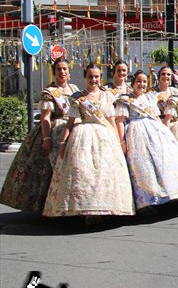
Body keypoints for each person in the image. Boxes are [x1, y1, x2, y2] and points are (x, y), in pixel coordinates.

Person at [43, 64, 135, 217]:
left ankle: (107, 207)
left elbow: (111, 120)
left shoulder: (107, 96)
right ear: (85, 77)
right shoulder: (79, 97)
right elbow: (70, 122)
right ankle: (87, 211)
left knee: (105, 174)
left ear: (100, 78)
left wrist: (119, 142)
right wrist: (63, 143)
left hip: (105, 136)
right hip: (82, 135)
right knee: (83, 173)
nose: (94, 79)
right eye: (90, 76)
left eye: (97, 77)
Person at [116, 70, 178, 209]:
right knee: (142, 166)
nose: (142, 84)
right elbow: (120, 121)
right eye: (139, 81)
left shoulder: (150, 98)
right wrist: (121, 141)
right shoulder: (125, 100)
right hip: (135, 132)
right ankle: (146, 202)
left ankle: (167, 195)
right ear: (133, 83)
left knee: (162, 161)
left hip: (153, 130)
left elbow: (156, 117)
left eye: (144, 81)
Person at [1, 57, 78, 213]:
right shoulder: (50, 92)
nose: (62, 72)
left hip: (73, 128)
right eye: (59, 69)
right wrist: (46, 138)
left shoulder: (74, 89)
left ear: (69, 72)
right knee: (52, 168)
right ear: (54, 72)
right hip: (55, 130)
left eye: (65, 69)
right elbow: (45, 118)